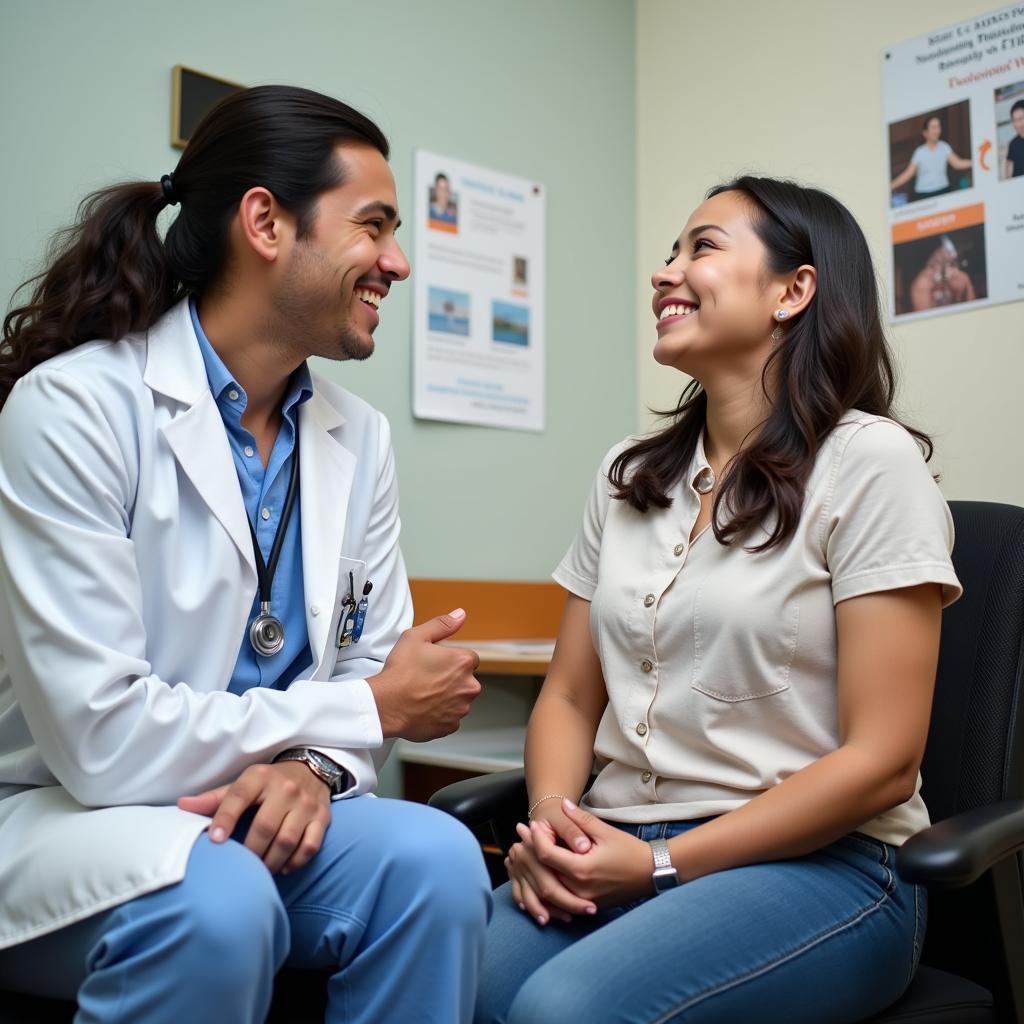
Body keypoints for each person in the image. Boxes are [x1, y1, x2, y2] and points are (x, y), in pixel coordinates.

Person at [0, 85, 491, 1023]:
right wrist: (362, 708)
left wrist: (308, 769)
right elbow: (101, 740)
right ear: (266, 222)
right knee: (219, 905)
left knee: (434, 861)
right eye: (375, 226)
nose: (400, 260)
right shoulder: (74, 411)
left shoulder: (359, 436)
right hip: (67, 816)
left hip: (259, 810)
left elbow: (369, 667)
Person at [475, 176, 961, 1024]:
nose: (666, 272)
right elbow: (569, 695)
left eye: (701, 247)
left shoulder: (869, 464)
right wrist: (556, 821)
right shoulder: (631, 474)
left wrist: (664, 867)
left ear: (793, 290)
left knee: (565, 1010)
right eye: (669, 252)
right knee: (440, 980)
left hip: (827, 866)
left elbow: (883, 759)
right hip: (621, 838)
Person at [890, 114, 972, 202]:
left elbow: (957, 163)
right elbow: (908, 174)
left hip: (943, 190)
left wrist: (976, 162)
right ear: (925, 133)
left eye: (938, 127)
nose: (937, 130)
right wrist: (890, 186)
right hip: (923, 194)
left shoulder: (944, 146)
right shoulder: (919, 152)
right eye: (933, 127)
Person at [1003, 99, 1024, 178]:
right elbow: (1008, 175)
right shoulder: (1012, 144)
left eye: (1021, 119)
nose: (1018, 124)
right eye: (1015, 120)